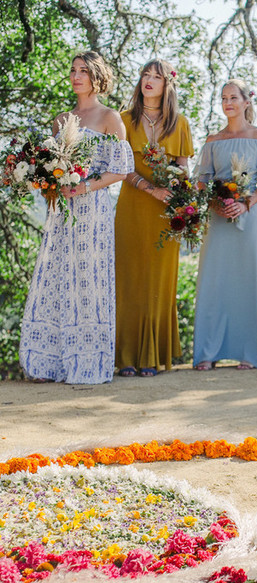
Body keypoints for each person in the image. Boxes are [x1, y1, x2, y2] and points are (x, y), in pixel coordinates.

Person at [19, 51, 132, 384]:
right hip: (60, 211)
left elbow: (121, 170)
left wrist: (83, 188)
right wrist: (47, 183)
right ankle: (48, 363)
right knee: (56, 275)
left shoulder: (110, 117)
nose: (76, 76)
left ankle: (87, 364)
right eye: (73, 70)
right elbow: (53, 167)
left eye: (83, 70)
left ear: (97, 76)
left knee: (87, 279)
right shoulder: (61, 119)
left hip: (93, 210)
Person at [192, 79, 257, 370]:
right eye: (223, 98)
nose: (228, 103)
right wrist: (217, 203)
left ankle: (247, 353)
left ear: (246, 101)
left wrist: (246, 203)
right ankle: (207, 353)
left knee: (247, 283)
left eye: (233, 97)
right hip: (218, 219)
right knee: (213, 282)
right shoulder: (212, 141)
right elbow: (202, 180)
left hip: (250, 216)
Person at [114, 59, 194, 377]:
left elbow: (184, 169)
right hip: (131, 208)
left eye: (156, 76)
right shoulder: (122, 120)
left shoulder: (181, 124)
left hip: (166, 214)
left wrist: (174, 188)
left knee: (158, 283)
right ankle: (127, 357)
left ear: (167, 85)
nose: (149, 80)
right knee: (130, 280)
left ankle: (153, 357)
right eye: (145, 75)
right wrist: (150, 188)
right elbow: (120, 168)